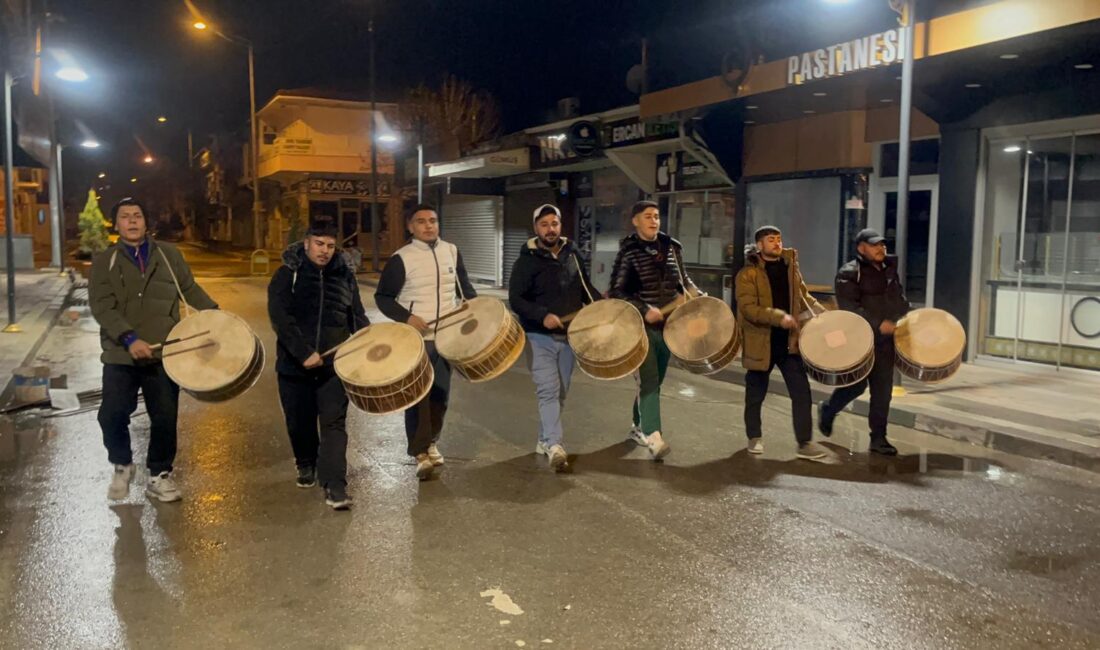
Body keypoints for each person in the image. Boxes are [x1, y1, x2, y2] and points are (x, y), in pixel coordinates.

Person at [90, 197, 218, 503]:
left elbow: (189, 290)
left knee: (164, 416)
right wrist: (129, 338)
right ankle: (122, 463)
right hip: (121, 353)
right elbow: (102, 307)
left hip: (164, 351)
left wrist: (217, 316)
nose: (132, 221)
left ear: (147, 222)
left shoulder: (169, 255)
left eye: (137, 215)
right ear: (116, 224)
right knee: (111, 414)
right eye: (125, 217)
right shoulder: (103, 262)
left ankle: (159, 474)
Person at [268, 222, 369, 510]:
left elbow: (357, 317)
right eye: (319, 244)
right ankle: (305, 462)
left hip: (333, 367)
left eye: (329, 245)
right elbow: (280, 318)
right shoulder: (289, 274)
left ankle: (335, 485)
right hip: (294, 366)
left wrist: (370, 346)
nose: (324, 251)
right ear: (307, 243)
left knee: (334, 424)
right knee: (299, 422)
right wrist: (303, 353)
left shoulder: (345, 276)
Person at [375, 204, 477, 480]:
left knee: (441, 395)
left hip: (447, 336)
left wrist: (477, 310)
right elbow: (382, 298)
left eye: (433, 220)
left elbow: (464, 288)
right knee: (417, 395)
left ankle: (432, 441)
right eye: (421, 221)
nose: (428, 226)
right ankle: (419, 452)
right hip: (418, 339)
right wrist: (407, 317)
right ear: (410, 227)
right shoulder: (401, 258)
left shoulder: (452, 252)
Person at [508, 204, 597, 472]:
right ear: (536, 228)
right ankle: (555, 445)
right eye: (544, 224)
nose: (550, 229)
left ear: (560, 226)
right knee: (548, 389)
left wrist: (599, 306)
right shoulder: (526, 260)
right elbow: (516, 300)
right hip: (538, 337)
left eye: (554, 224)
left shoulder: (573, 254)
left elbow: (584, 287)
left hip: (569, 337)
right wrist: (542, 314)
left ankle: (544, 438)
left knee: (561, 392)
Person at [609, 200, 698, 461]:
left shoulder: (672, 248)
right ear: (635, 221)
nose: (654, 221)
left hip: (669, 327)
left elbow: (684, 281)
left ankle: (638, 426)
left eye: (657, 216)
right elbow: (617, 291)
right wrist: (644, 307)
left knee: (655, 380)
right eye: (648, 216)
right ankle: (654, 436)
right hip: (641, 327)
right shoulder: (629, 252)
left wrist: (696, 294)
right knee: (649, 381)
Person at [735, 226, 828, 460]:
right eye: (770, 240)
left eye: (778, 239)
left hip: (789, 344)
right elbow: (748, 309)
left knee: (801, 393)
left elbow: (804, 298)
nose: (776, 243)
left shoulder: (791, 268)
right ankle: (754, 436)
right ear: (759, 245)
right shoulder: (748, 274)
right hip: (761, 342)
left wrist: (825, 316)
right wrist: (779, 317)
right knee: (755, 395)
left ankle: (804, 442)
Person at [818, 228, 912, 455]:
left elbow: (898, 298)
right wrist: (879, 323)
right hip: (859, 339)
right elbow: (850, 308)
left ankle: (878, 439)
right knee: (856, 385)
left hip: (886, 341)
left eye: (882, 245)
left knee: (883, 390)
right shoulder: (849, 272)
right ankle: (829, 409)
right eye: (874, 245)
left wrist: (908, 315)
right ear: (861, 248)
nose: (881, 249)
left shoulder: (889, 269)